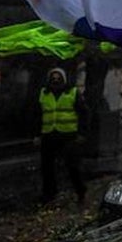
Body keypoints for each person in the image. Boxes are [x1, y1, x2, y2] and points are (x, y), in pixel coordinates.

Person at [37, 67, 87, 206]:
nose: (56, 80)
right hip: (49, 134)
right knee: (47, 168)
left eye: (58, 77)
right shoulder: (44, 93)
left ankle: (80, 191)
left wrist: (81, 133)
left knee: (72, 166)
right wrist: (37, 135)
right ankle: (49, 195)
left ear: (64, 79)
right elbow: (37, 115)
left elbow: (84, 113)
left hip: (68, 135)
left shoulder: (72, 92)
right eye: (53, 77)